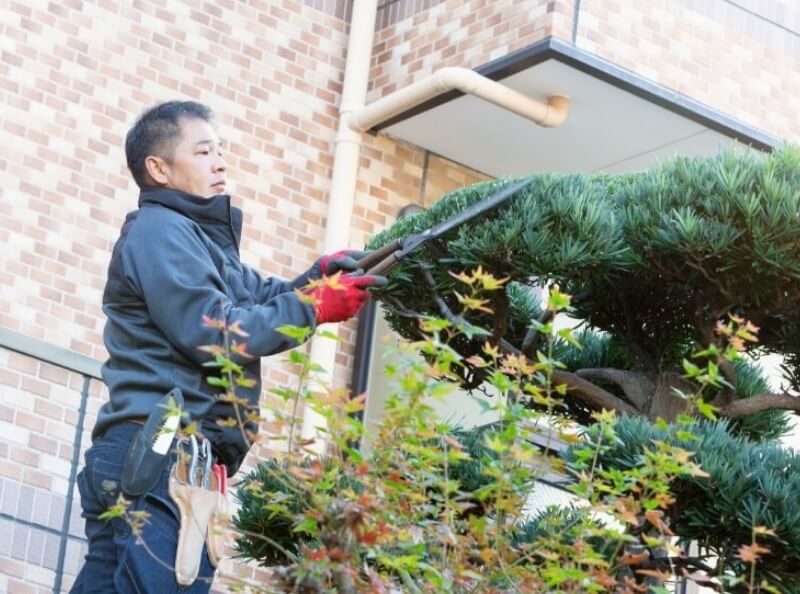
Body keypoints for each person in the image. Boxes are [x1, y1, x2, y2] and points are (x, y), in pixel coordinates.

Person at [70, 100, 385, 593]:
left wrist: (315, 281)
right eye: (203, 151)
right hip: (161, 455)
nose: (220, 162)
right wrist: (315, 306)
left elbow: (255, 298)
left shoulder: (196, 239)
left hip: (147, 455)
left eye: (220, 150)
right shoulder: (160, 232)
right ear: (159, 168)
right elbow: (218, 333)